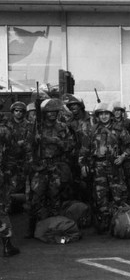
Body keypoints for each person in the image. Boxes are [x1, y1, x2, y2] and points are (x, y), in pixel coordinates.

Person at [79, 102, 130, 233]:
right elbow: (84, 151)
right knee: (100, 196)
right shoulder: (92, 131)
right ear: (98, 116)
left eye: (106, 114)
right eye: (101, 114)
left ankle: (121, 221)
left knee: (118, 195)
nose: (104, 116)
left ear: (110, 115)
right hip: (98, 167)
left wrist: (122, 156)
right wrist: (82, 166)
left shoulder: (119, 129)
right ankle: (104, 221)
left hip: (114, 166)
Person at [26, 98, 75, 238]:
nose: (52, 114)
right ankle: (33, 228)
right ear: (44, 113)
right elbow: (28, 147)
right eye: (49, 111)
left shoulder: (62, 127)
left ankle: (54, 227)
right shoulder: (36, 127)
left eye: (55, 111)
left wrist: (57, 142)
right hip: (39, 166)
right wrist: (31, 161)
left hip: (55, 166)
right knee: (36, 198)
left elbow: (70, 146)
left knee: (55, 197)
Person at [0, 102, 20, 257]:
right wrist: (8, 173)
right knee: (1, 209)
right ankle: (7, 245)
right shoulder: (5, 130)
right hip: (2, 173)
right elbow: (12, 154)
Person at [4, 102, 33, 198]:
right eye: (16, 111)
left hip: (24, 158)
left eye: (21, 111)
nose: (19, 113)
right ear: (12, 112)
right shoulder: (6, 125)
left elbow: (31, 142)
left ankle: (20, 205)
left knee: (23, 182)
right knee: (9, 183)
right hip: (10, 158)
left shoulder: (30, 125)